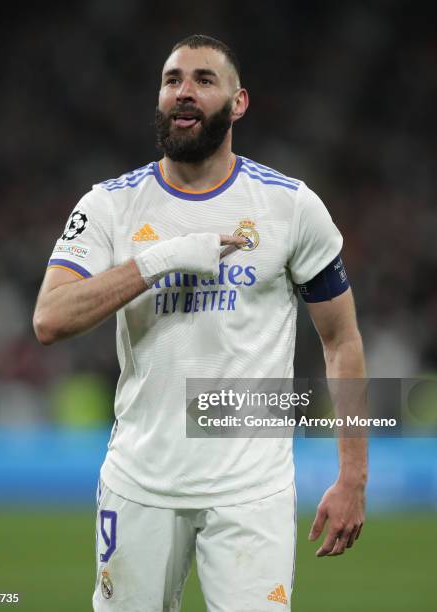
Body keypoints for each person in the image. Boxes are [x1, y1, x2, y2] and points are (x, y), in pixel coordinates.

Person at [33, 34, 367, 612]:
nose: (184, 93)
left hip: (251, 491)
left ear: (239, 103)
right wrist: (160, 260)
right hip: (139, 484)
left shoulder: (289, 206)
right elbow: (49, 319)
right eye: (172, 80)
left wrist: (353, 476)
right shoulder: (110, 205)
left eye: (203, 81)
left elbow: (342, 341)